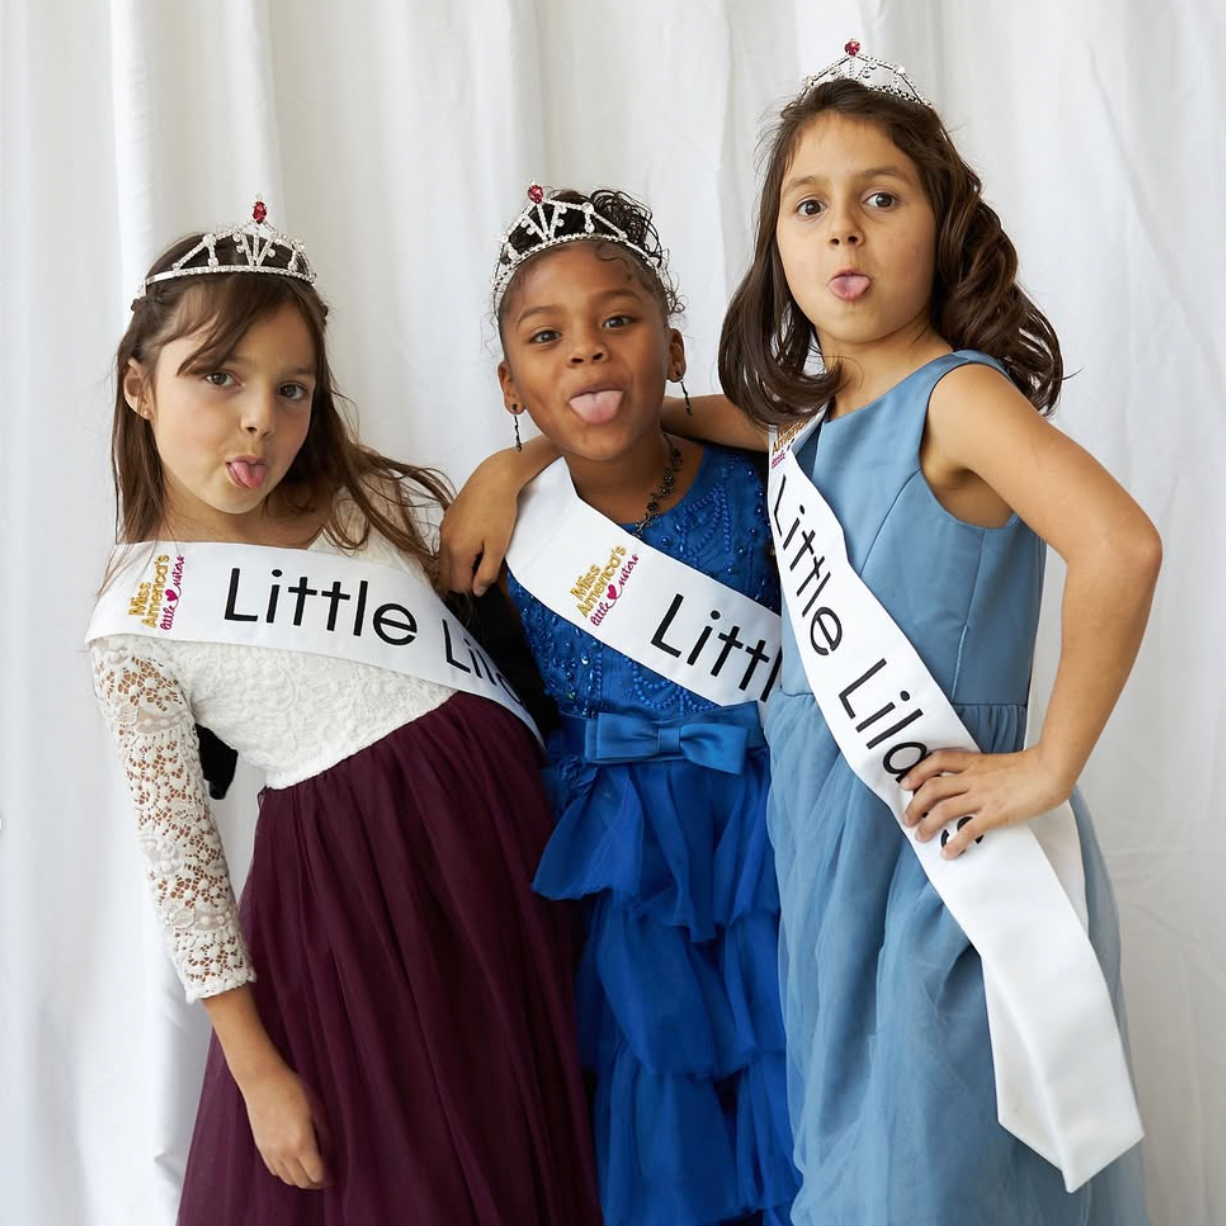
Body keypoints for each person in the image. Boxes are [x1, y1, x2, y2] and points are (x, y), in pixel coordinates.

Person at [442, 48, 1160, 1226]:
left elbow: (1119, 545)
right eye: (808, 206)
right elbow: (629, 417)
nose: (844, 235)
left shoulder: (955, 395)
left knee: (936, 1173)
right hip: (831, 846)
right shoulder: (807, 417)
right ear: (773, 242)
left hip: (943, 851)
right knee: (853, 1163)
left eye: (880, 198)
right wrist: (513, 457)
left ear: (942, 223)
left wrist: (1047, 763)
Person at [87, 200, 600, 1226]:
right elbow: (181, 863)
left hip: (509, 852)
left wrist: (507, 468)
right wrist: (255, 1065)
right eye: (218, 376)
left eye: (292, 388)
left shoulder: (361, 497)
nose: (258, 419)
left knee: (544, 1139)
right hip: (359, 911)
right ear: (141, 387)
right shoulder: (138, 616)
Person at [480, 185, 799, 1226]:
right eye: (547, 336)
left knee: (787, 1060)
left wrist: (530, 447)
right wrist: (518, 467)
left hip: (762, 829)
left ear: (672, 347)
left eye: (618, 320)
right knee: (649, 1096)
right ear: (510, 381)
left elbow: (830, 403)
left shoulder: (762, 477)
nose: (585, 353)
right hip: (617, 857)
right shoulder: (504, 537)